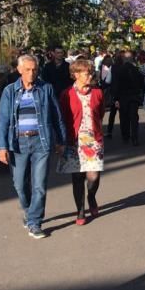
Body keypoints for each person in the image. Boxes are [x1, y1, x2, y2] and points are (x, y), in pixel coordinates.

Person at [0, 55, 66, 239]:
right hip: (18, 143)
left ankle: (35, 222)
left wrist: (61, 141)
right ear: (19, 70)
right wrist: (2, 146)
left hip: (41, 142)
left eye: (34, 69)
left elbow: (56, 117)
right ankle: (28, 211)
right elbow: (2, 121)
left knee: (39, 185)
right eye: (27, 69)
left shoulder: (46, 89)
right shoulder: (10, 91)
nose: (31, 73)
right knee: (19, 184)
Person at [57, 59, 104, 226]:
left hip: (93, 139)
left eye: (91, 72)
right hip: (73, 140)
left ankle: (91, 196)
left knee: (93, 176)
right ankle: (80, 210)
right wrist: (60, 141)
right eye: (86, 73)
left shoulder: (97, 92)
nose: (90, 75)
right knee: (77, 177)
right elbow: (61, 118)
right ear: (76, 75)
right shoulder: (66, 94)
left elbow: (100, 113)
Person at [111, 50, 144, 146]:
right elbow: (141, 84)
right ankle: (135, 137)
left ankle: (125, 135)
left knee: (124, 116)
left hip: (123, 97)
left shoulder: (119, 70)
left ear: (124, 59)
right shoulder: (136, 70)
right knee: (134, 117)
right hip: (134, 96)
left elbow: (116, 85)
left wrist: (116, 98)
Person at [100, 55, 116, 138]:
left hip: (107, 92)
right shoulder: (113, 68)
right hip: (111, 92)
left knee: (110, 113)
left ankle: (109, 131)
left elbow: (105, 81)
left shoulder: (104, 68)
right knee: (112, 112)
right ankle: (109, 130)